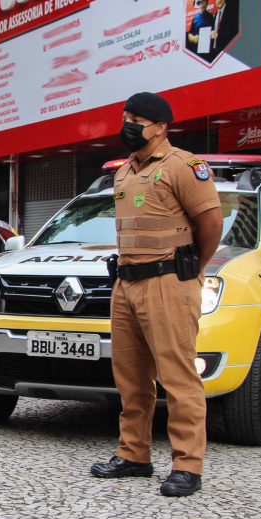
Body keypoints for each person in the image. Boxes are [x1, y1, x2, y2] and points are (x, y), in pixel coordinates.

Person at [90, 92, 223, 497]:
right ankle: (134, 454)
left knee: (178, 376)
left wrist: (191, 269)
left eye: (137, 119)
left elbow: (211, 223)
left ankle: (187, 465)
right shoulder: (124, 173)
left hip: (169, 282)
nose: (127, 124)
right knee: (131, 378)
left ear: (161, 126)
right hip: (126, 283)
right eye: (125, 116)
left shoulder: (184, 166)